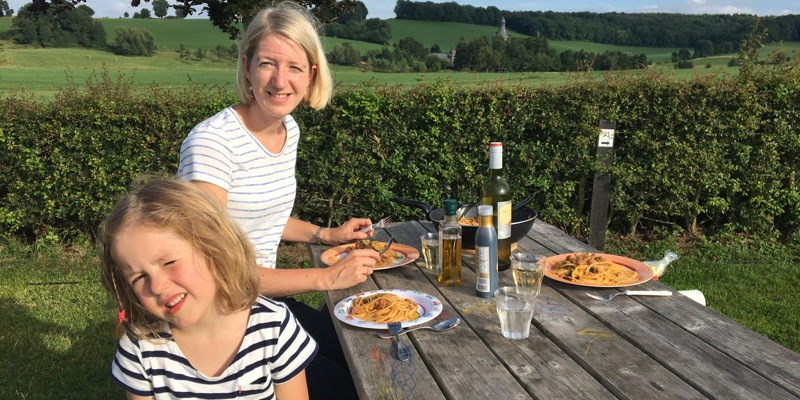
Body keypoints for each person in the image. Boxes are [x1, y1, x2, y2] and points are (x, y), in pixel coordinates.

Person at [177, 2, 375, 398]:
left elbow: (262, 217)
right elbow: (210, 272)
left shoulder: (289, 130)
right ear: (247, 67)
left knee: (365, 350)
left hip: (262, 303)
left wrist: (327, 235)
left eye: (295, 67)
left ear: (311, 75)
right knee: (357, 387)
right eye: (268, 63)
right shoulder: (212, 143)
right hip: (220, 316)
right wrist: (324, 278)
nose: (280, 80)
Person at [97, 177, 317, 399]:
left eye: (169, 262)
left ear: (213, 248)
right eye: (139, 277)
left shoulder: (274, 328)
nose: (157, 286)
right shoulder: (140, 348)